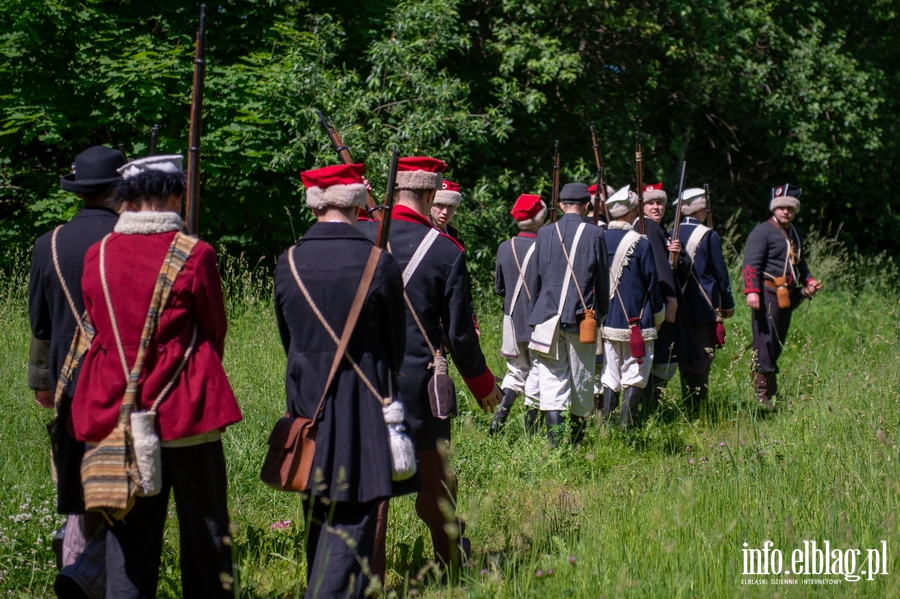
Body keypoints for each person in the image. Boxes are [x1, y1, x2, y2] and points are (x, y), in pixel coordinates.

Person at [70, 155, 242, 598]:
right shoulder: (194, 252)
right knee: (206, 536)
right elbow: (214, 328)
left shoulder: (99, 253)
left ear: (128, 198)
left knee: (130, 545)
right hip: (187, 412)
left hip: (117, 410)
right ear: (174, 194)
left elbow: (97, 324)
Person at [274, 163, 417, 597]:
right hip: (363, 398)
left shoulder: (289, 260)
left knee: (317, 503)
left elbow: (288, 336)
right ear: (357, 200)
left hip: (306, 397)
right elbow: (397, 343)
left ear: (315, 203)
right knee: (354, 513)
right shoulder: (379, 261)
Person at [359, 157, 501, 572]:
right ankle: (452, 562)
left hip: (364, 380)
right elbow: (460, 335)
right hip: (419, 385)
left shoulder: (360, 236)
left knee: (373, 487)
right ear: (429, 192)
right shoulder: (446, 250)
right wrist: (481, 384)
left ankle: (370, 578)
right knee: (437, 481)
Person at [28, 145, 125, 598]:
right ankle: (86, 573)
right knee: (122, 490)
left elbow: (41, 325)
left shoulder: (46, 243)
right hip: (121, 380)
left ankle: (76, 559)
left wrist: (43, 384)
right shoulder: (130, 240)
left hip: (68, 383)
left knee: (75, 483)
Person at [527, 182, 609, 446]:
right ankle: (576, 444)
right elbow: (602, 281)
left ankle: (554, 447)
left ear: (561, 205)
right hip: (580, 318)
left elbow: (534, 280)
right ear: (587, 205)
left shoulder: (544, 232)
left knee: (551, 381)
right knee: (582, 379)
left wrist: (534, 315)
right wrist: (601, 317)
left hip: (545, 317)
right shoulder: (595, 233)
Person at [742, 184, 821, 408]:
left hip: (786, 294)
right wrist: (752, 291)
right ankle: (761, 395)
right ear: (774, 209)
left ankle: (771, 391)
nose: (785, 211)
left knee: (777, 342)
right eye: (781, 207)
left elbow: (800, 263)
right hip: (766, 293)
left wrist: (809, 281)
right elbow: (751, 264)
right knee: (764, 342)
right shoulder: (762, 231)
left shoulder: (795, 233)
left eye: (790, 208)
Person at [600, 186, 664, 429]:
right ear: (631, 212)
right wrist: (657, 314)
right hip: (638, 319)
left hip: (608, 320)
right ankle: (627, 426)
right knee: (635, 372)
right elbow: (652, 285)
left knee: (610, 372)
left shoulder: (599, 239)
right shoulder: (641, 243)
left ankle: (606, 424)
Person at [673, 187, 735, 408]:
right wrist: (727, 304)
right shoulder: (709, 235)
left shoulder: (672, 233)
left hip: (679, 306)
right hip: (704, 306)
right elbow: (720, 274)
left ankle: (687, 399)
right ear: (701, 209)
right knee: (701, 356)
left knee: (685, 356)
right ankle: (697, 406)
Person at [491, 193, 547, 434]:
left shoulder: (505, 247)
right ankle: (531, 428)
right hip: (538, 321)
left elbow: (499, 288)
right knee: (537, 370)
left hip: (512, 320)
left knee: (515, 372)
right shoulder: (546, 246)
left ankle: (499, 419)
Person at [429, 179, 462, 245]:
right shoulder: (420, 232)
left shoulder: (453, 234)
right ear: (430, 204)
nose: (445, 212)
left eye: (450, 206)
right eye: (440, 204)